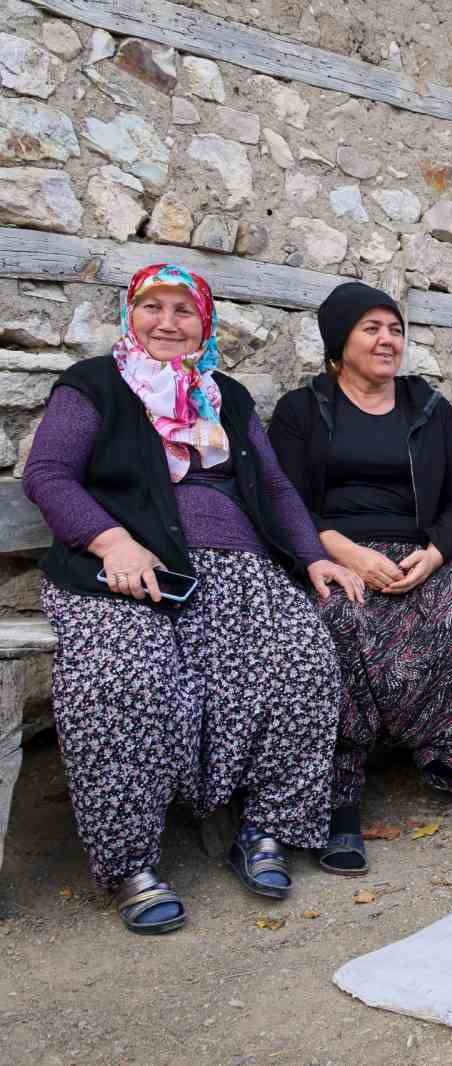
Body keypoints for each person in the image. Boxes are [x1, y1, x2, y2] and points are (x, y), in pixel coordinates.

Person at [22, 263, 362, 934]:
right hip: (122, 571)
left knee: (301, 660)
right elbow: (48, 473)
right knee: (123, 676)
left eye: (186, 311)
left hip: (238, 567)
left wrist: (314, 555)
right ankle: (131, 865)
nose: (168, 322)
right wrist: (110, 541)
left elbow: (273, 486)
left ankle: (264, 827)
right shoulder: (95, 384)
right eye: (154, 306)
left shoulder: (224, 395)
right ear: (132, 314)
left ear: (204, 325)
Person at [269, 281, 452, 874]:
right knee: (340, 620)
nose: (388, 340)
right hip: (337, 554)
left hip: (418, 553)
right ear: (339, 341)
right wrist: (345, 553)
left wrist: (432, 555)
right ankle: (341, 797)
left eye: (395, 329)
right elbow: (283, 501)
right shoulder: (301, 410)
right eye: (371, 329)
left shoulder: (427, 407)